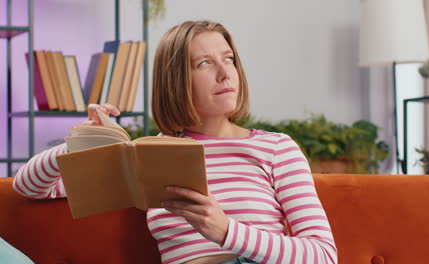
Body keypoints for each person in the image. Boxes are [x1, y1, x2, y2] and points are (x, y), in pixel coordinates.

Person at [13, 20, 337, 264]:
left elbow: (323, 255)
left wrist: (227, 231)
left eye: (229, 59)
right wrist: (83, 141)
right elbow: (30, 186)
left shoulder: (276, 148)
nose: (226, 73)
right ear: (176, 80)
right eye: (205, 63)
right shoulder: (148, 157)